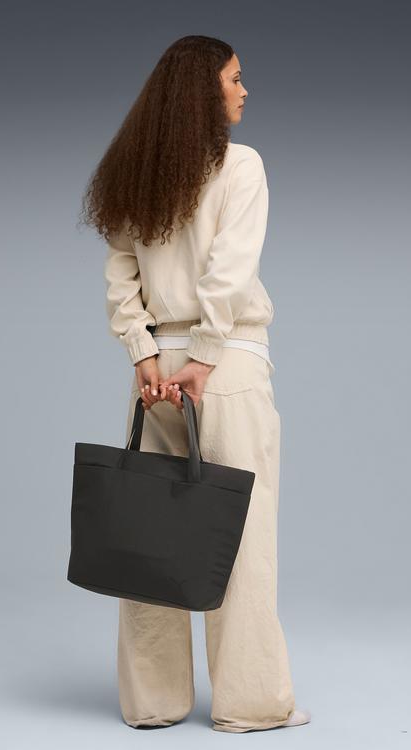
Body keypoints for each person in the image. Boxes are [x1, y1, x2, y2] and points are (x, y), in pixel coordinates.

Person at [80, 35, 310, 733]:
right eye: (235, 79)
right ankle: (249, 704)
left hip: (156, 375)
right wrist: (205, 357)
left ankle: (152, 703)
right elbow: (230, 272)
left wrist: (142, 352)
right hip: (223, 368)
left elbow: (120, 270)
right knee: (241, 535)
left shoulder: (136, 174)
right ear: (204, 93)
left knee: (149, 530)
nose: (245, 90)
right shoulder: (241, 165)